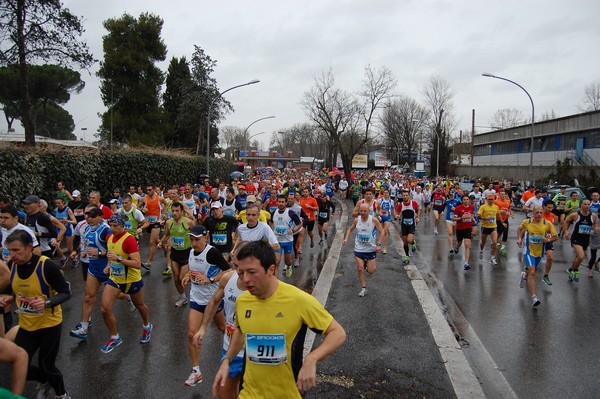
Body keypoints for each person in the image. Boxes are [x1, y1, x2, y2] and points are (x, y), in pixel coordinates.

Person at [212, 240, 346, 398]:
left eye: (252, 272)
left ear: (271, 270)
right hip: (249, 393)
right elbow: (241, 332)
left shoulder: (298, 300)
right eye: (241, 273)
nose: (245, 279)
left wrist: (312, 358)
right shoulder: (243, 301)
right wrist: (227, 360)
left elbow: (338, 333)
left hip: (287, 394)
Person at [0, 230, 72, 398]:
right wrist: (9, 299)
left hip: (49, 324)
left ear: (29, 247)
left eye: (16, 250)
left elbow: (66, 293)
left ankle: (62, 394)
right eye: (9, 250)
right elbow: (14, 290)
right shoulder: (12, 266)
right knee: (19, 365)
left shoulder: (46, 266)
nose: (12, 255)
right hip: (26, 325)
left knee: (47, 365)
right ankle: (45, 380)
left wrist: (46, 302)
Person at [193, 243, 248, 398]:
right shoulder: (228, 278)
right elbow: (214, 301)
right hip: (230, 350)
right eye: (235, 265)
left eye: (242, 266)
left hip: (253, 353)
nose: (238, 270)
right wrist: (203, 327)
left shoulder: (262, 286)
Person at [180, 225, 230, 387]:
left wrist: (211, 280)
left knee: (223, 329)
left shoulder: (212, 252)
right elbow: (192, 268)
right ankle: (196, 371)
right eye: (192, 240)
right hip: (196, 298)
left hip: (213, 300)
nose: (194, 243)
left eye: (197, 240)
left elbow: (229, 271)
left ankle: (234, 353)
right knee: (191, 333)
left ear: (206, 237)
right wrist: (188, 275)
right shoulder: (191, 252)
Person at [99, 213, 152, 353]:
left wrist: (119, 259)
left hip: (131, 280)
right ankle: (114, 336)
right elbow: (111, 254)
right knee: (104, 308)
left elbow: (137, 263)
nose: (112, 228)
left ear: (123, 225)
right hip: (115, 279)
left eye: (115, 226)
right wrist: (108, 265)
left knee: (140, 305)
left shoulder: (129, 240)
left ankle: (147, 326)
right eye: (110, 225)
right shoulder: (109, 237)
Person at [517, 206, 558, 307]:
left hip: (539, 252)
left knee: (531, 271)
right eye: (537, 213)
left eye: (540, 212)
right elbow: (520, 229)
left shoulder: (547, 224)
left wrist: (548, 240)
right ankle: (534, 298)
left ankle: (524, 275)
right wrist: (519, 239)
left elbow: (555, 237)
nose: (539, 214)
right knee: (532, 271)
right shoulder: (527, 222)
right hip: (529, 251)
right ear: (533, 213)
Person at [159, 202, 195, 307]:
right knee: (175, 279)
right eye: (173, 211)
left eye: (177, 211)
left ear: (182, 212)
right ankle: (183, 297)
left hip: (186, 253)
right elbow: (167, 235)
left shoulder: (188, 222)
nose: (174, 213)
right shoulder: (169, 223)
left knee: (181, 278)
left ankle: (195, 292)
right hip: (175, 253)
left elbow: (196, 234)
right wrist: (161, 242)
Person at [343, 203, 383, 297]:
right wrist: (346, 239)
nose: (363, 212)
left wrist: (379, 244)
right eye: (361, 211)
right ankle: (363, 288)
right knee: (360, 269)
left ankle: (366, 264)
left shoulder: (373, 220)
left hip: (370, 249)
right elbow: (350, 229)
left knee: (371, 271)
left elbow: (382, 232)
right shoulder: (357, 220)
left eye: (365, 211)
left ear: (369, 211)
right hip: (359, 249)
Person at [563, 199, 599, 283]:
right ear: (581, 205)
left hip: (586, 239)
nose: (586, 206)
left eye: (588, 204)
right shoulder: (575, 215)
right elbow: (566, 221)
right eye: (585, 204)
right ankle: (575, 271)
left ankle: (571, 269)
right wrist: (566, 231)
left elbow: (594, 225)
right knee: (581, 256)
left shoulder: (593, 216)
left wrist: (595, 228)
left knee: (578, 257)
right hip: (576, 238)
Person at [270, 195, 302, 278]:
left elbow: (299, 224)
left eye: (282, 202)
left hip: (288, 241)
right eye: (279, 202)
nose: (280, 203)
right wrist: (272, 231)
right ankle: (276, 283)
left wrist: (293, 230)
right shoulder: (274, 213)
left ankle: (288, 266)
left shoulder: (290, 213)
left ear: (286, 203)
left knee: (287, 261)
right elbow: (271, 223)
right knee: (276, 262)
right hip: (277, 241)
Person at [138, 185, 169, 270]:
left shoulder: (159, 198)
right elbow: (137, 207)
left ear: (154, 190)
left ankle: (149, 262)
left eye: (150, 190)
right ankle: (165, 247)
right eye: (147, 190)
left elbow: (166, 204)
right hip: (148, 223)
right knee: (156, 240)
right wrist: (142, 210)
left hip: (157, 223)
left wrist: (163, 212)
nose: (148, 191)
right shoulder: (144, 199)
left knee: (152, 242)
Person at [395, 191, 420, 264]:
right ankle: (407, 256)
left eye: (406, 195)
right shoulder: (401, 205)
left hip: (412, 224)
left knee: (409, 240)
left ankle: (413, 243)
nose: (405, 197)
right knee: (405, 242)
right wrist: (397, 216)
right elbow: (397, 212)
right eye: (404, 195)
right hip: (404, 225)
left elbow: (418, 209)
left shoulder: (413, 203)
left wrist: (417, 217)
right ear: (402, 196)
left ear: (409, 196)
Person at [477, 194, 503, 265]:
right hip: (485, 227)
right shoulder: (483, 207)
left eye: (492, 199)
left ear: (494, 200)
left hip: (493, 227)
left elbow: (499, 214)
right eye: (489, 199)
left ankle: (492, 257)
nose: (490, 201)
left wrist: (502, 222)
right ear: (487, 200)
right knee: (483, 242)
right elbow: (478, 216)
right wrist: (485, 218)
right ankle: (481, 250)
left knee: (495, 242)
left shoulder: (496, 207)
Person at [452, 195, 475, 270]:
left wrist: (473, 219)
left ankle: (466, 263)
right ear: (462, 200)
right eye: (464, 199)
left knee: (467, 245)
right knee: (459, 243)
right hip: (460, 228)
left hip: (468, 228)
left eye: (467, 199)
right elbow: (453, 218)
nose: (466, 201)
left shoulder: (471, 207)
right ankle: (457, 247)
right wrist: (461, 218)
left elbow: (471, 215)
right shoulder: (458, 208)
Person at [540, 200, 558, 285]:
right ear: (544, 207)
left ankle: (546, 276)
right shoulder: (538, 214)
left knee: (550, 257)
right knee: (536, 261)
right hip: (538, 239)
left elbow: (553, 228)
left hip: (548, 239)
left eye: (552, 207)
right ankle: (527, 272)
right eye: (548, 207)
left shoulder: (553, 216)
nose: (550, 209)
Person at [494, 190, 513, 256]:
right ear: (499, 195)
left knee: (505, 232)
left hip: (505, 219)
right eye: (501, 194)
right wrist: (500, 211)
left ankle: (503, 248)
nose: (503, 196)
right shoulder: (496, 202)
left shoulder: (507, 201)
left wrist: (510, 213)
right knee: (499, 232)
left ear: (506, 195)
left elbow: (509, 207)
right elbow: (493, 210)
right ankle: (494, 241)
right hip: (497, 219)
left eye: (504, 194)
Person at [377, 190, 395, 254]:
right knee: (381, 231)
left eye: (387, 193)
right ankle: (381, 245)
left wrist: (395, 215)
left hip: (388, 217)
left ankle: (384, 247)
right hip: (381, 217)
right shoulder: (380, 200)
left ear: (389, 194)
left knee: (385, 231)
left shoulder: (391, 201)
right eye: (384, 193)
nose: (385, 194)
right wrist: (378, 215)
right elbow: (377, 208)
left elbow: (393, 208)